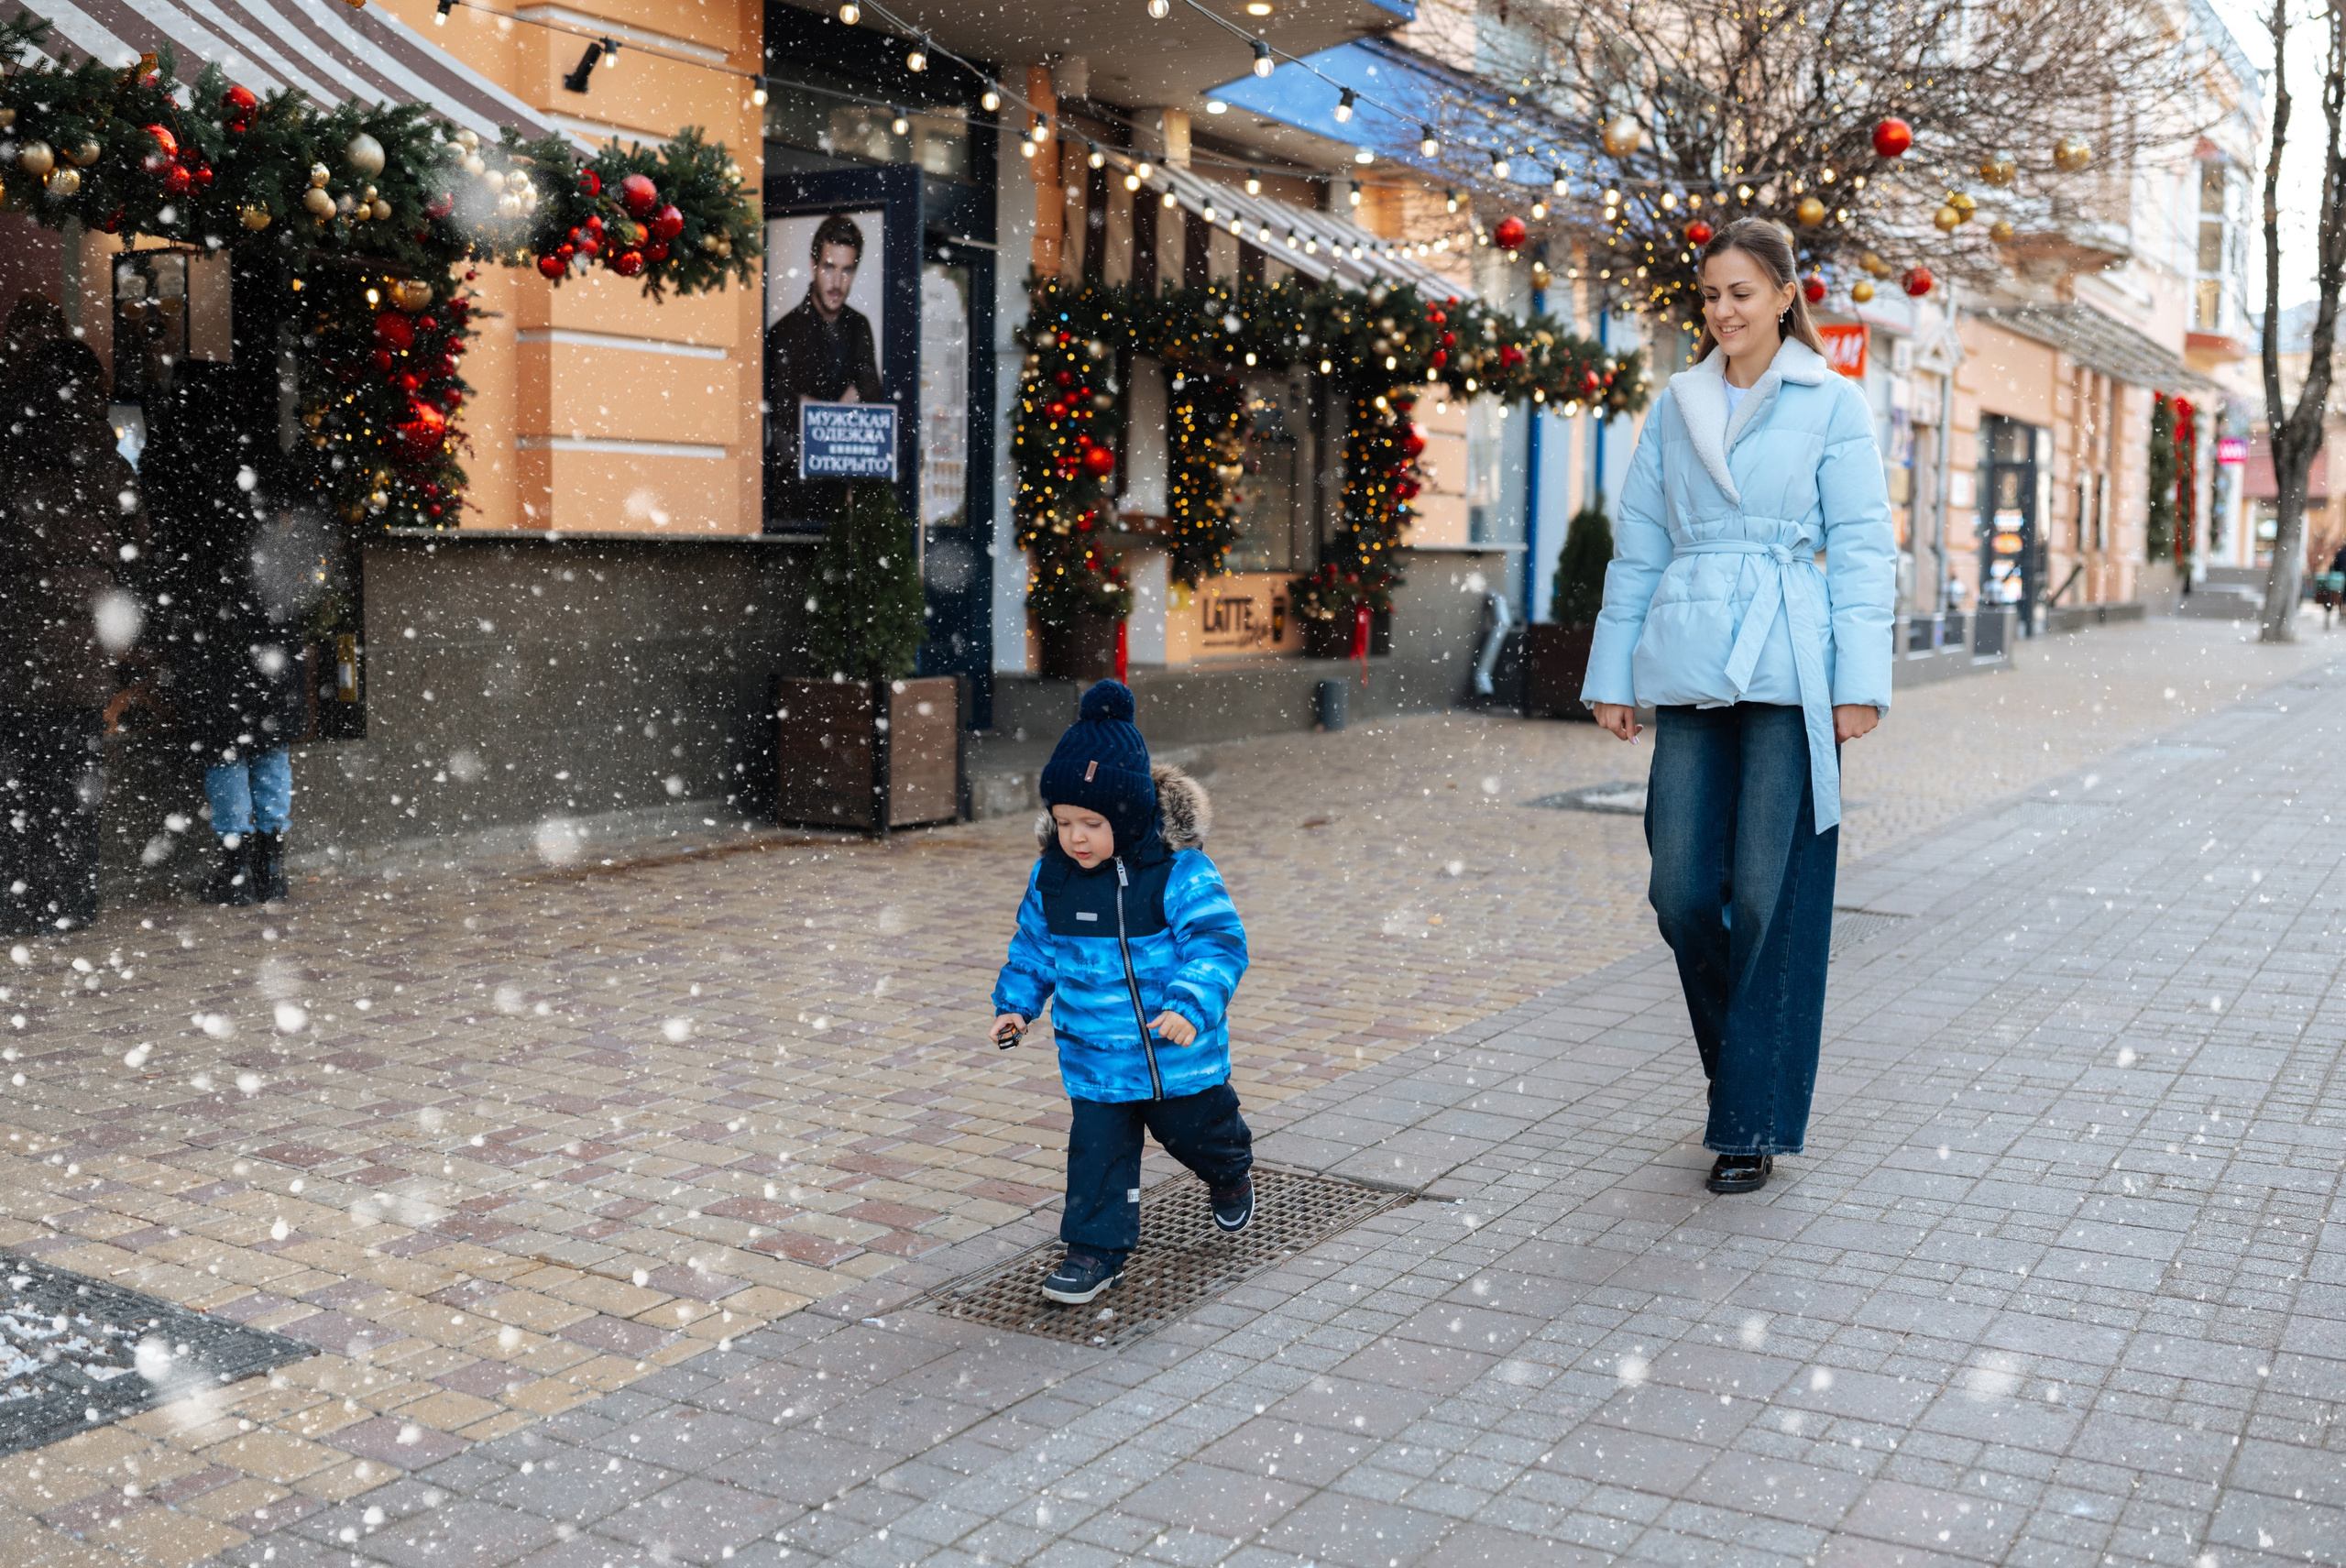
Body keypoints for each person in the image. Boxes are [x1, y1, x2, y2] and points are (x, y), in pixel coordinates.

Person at [1581, 218, 1895, 1196]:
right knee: (1680, 890)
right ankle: (1745, 1075)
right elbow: (1638, 541)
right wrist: (1611, 671)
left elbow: (1862, 546)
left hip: (1791, 660)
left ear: (1785, 297)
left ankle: (1748, 1115)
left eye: (1741, 293)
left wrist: (1858, 684)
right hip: (1689, 651)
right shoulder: (1674, 405)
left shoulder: (1831, 400)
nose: (1721, 311)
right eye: (1710, 293)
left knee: (1769, 893)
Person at [990, 680, 1254, 1305]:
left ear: (1130, 813)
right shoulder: (1053, 877)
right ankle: (1094, 1250)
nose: (1075, 837)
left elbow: (1219, 943)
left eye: (1091, 823)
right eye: (1063, 822)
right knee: (1098, 1154)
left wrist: (1190, 1004)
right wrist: (1016, 1004)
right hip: (1096, 1056)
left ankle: (1229, 1170)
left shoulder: (1179, 873)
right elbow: (1034, 946)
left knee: (1199, 1133)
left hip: (1175, 1053)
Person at [139, 362, 312, 906]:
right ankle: (272, 866)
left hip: (208, 623)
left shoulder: (173, 462)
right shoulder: (261, 455)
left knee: (225, 747)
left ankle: (236, 869)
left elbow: (159, 540)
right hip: (269, 622)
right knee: (268, 746)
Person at [0, 336, 148, 935]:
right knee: (75, 787)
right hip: (84, 654)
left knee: (20, 786)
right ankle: (71, 900)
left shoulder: (14, 454)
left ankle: (19, 899)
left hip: (18, 649)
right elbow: (138, 541)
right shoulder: (109, 461)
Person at [763, 212, 885, 517]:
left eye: (847, 270)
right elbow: (782, 419)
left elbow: (873, 396)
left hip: (848, 497)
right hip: (795, 498)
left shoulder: (858, 326)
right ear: (813, 266)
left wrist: (829, 407)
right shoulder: (785, 332)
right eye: (829, 268)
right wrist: (835, 413)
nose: (837, 282)